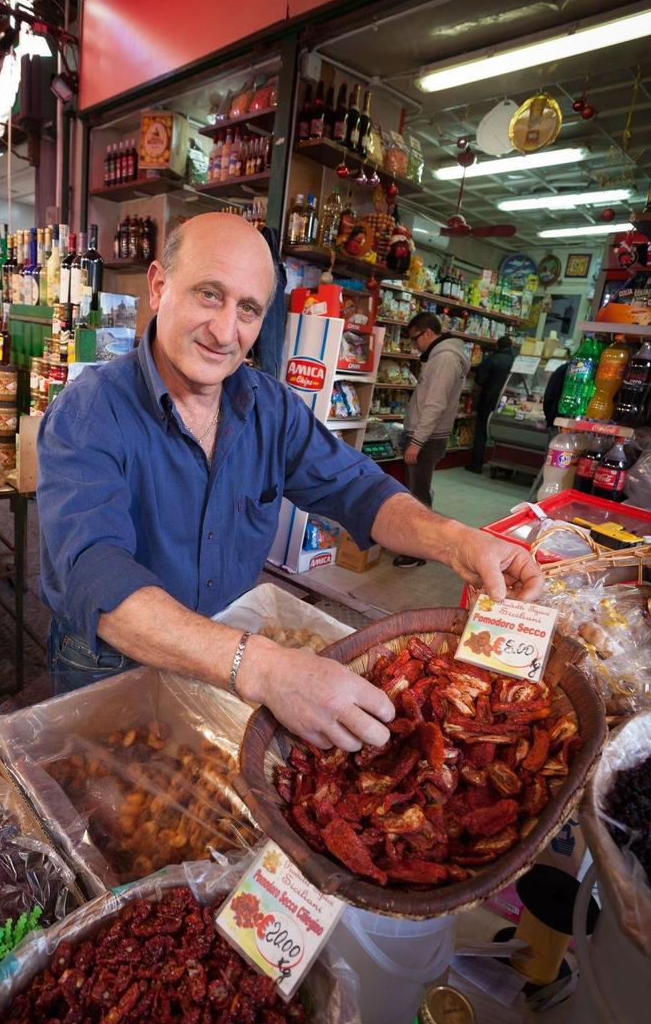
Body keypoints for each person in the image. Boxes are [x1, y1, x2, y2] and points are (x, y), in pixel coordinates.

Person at [37, 213, 543, 751]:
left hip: (231, 654)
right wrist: (264, 667)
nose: (225, 332)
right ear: (159, 286)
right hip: (113, 665)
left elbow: (360, 490)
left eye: (249, 309)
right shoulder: (89, 411)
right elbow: (94, 574)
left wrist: (456, 540)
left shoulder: (269, 407)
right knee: (111, 807)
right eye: (210, 294)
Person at [394, 311, 470, 567]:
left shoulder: (445, 358)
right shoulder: (442, 355)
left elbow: (435, 404)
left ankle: (417, 551)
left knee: (418, 496)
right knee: (418, 491)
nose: (415, 346)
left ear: (428, 333)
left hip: (426, 438)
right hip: (425, 436)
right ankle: (415, 546)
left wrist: (416, 442)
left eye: (415, 339)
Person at [466, 335, 514, 474]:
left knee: (481, 430)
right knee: (502, 433)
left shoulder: (492, 359)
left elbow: (481, 380)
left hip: (488, 399)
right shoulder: (514, 360)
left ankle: (476, 464)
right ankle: (504, 466)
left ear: (497, 346)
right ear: (510, 347)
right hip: (506, 402)